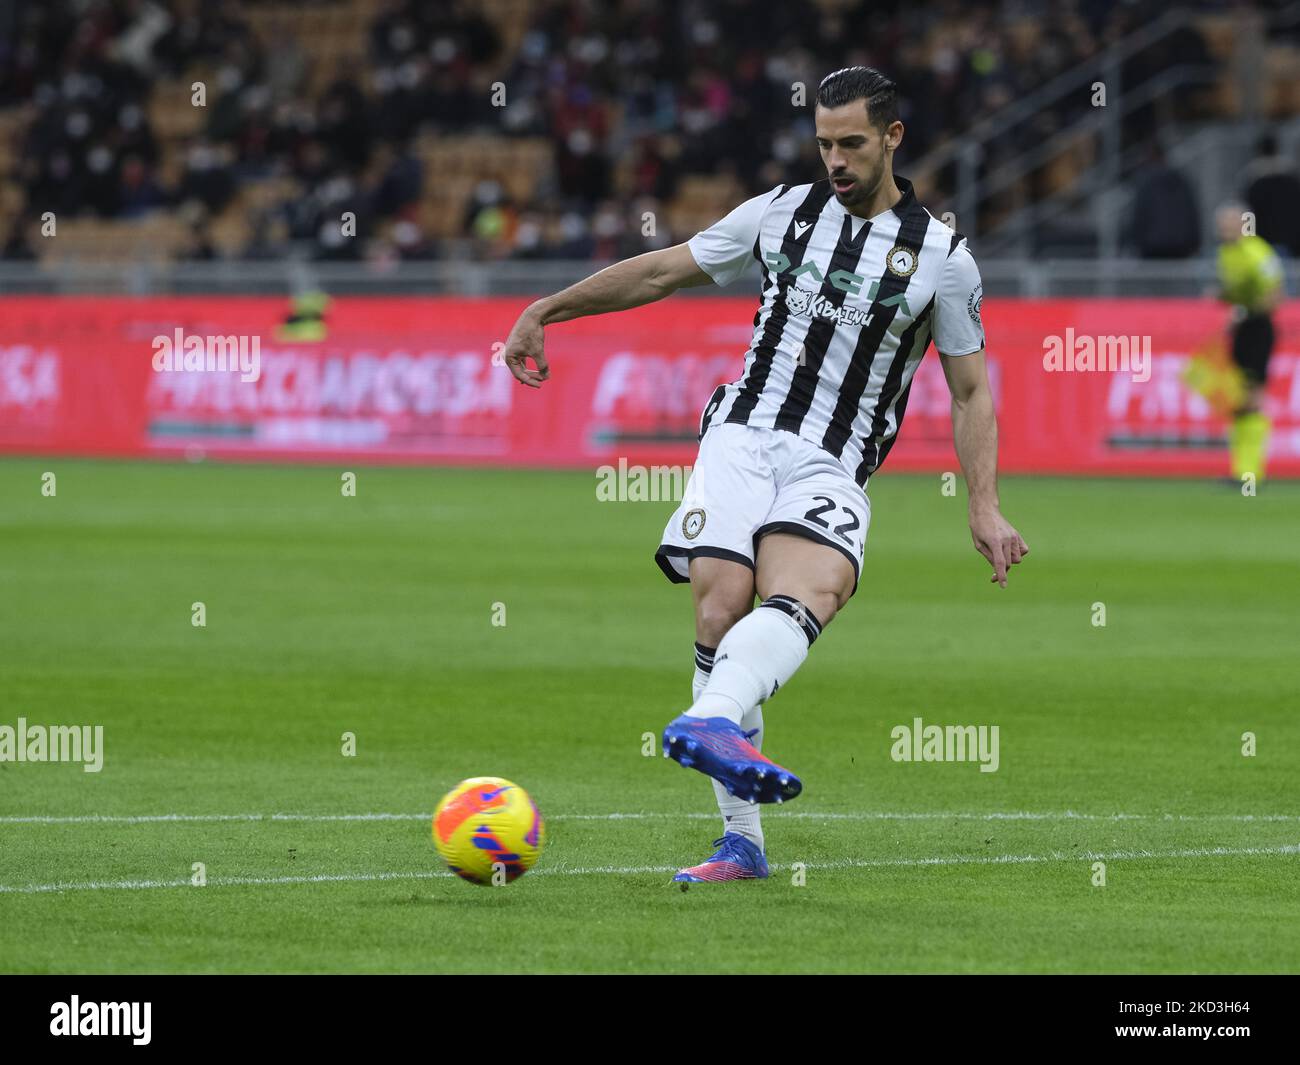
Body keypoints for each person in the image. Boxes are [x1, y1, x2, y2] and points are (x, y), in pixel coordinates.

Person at [500, 66, 1028, 883]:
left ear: (892, 138)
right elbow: (661, 270)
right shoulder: (782, 212)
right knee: (720, 601)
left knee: (811, 593)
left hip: (836, 457)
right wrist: (545, 310)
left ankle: (710, 724)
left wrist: (984, 505)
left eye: (852, 143)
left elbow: (969, 388)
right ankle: (740, 840)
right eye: (825, 144)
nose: (837, 161)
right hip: (743, 433)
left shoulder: (943, 260)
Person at [1214, 203, 1284, 484]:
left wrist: (1246, 310)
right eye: (1224, 224)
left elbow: (1276, 295)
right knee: (1238, 398)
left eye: (1232, 223)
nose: (1227, 229)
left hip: (1258, 328)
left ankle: (1252, 473)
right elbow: (1233, 291)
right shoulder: (1225, 254)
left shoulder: (1258, 252)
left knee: (1252, 396)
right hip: (1242, 328)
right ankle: (1240, 471)